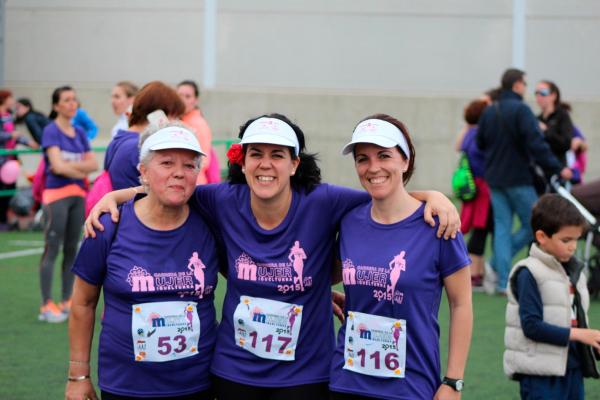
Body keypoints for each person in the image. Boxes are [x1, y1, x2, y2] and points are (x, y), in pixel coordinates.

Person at [86, 113, 460, 400]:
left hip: (306, 374)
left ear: (294, 164)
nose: (266, 164)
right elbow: (169, 187)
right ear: (243, 161)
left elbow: (386, 194)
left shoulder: (325, 201)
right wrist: (118, 196)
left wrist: (433, 196)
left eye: (277, 155)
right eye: (256, 154)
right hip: (234, 370)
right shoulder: (220, 199)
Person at [65, 122, 218, 400]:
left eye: (189, 165)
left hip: (199, 383)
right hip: (126, 384)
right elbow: (83, 302)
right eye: (167, 163)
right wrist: (78, 375)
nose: (179, 173)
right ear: (143, 172)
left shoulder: (211, 219)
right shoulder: (108, 225)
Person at [329, 114, 472, 400]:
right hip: (346, 381)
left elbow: (462, 304)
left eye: (384, 156)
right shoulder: (348, 221)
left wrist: (454, 381)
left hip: (411, 385)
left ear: (405, 161)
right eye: (363, 159)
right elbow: (315, 276)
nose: (373, 168)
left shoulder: (439, 225)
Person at [476, 68, 572, 294]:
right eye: (525, 84)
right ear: (517, 85)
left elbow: (480, 143)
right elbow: (536, 144)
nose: (527, 89)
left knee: (502, 228)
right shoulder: (521, 110)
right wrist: (557, 169)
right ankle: (498, 268)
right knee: (537, 225)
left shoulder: (490, 111)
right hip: (518, 178)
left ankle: (501, 279)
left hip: (495, 179)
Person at [504, 194, 600, 399]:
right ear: (541, 237)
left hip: (572, 367)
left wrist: (592, 342)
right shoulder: (528, 273)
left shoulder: (575, 272)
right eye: (566, 240)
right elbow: (531, 326)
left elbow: (575, 318)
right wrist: (581, 334)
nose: (573, 246)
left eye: (576, 239)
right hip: (540, 373)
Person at [39, 86, 98, 323]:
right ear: (56, 106)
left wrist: (67, 168)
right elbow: (56, 165)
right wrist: (74, 169)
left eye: (74, 99)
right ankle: (46, 305)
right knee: (52, 249)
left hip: (78, 196)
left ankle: (66, 298)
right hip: (56, 197)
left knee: (72, 249)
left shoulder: (80, 133)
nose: (72, 103)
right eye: (66, 100)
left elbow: (93, 164)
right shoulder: (51, 131)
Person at [106, 81, 185, 191]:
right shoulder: (139, 146)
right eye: (175, 117)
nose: (176, 123)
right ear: (159, 116)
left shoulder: (119, 139)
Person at [455, 99, 493, 291]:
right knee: (480, 227)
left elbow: (458, 147)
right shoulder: (481, 134)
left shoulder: (468, 132)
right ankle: (473, 273)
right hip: (482, 186)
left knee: (476, 227)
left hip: (472, 186)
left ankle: (476, 271)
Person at [176, 80, 213, 184]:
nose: (182, 100)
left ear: (195, 100)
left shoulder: (198, 124)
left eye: (187, 96)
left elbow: (204, 160)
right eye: (179, 95)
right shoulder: (180, 120)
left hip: (193, 183)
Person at [535, 80, 574, 167]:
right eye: (536, 93)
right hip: (541, 169)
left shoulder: (562, 115)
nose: (539, 96)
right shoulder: (537, 119)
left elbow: (566, 143)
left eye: (543, 93)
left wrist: (546, 131)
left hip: (558, 168)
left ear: (553, 96)